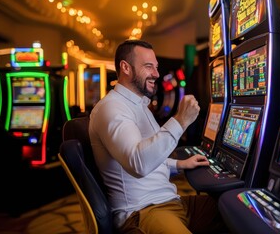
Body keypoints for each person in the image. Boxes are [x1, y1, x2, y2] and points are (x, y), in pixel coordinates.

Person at [89, 39, 227, 234]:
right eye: (148, 66)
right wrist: (180, 121)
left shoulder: (139, 104)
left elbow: (150, 154)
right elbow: (139, 163)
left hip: (171, 202)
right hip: (142, 211)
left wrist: (179, 165)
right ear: (125, 67)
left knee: (238, 213)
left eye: (156, 67)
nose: (156, 73)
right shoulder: (112, 108)